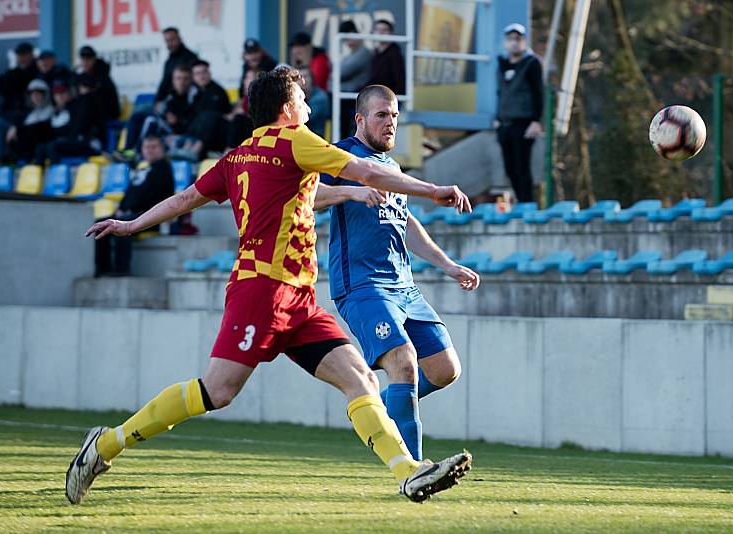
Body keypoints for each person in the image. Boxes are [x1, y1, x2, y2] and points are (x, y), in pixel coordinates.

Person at [69, 66, 473, 505]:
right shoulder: (297, 140)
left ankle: (410, 472)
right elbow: (368, 174)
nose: (307, 106)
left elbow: (186, 199)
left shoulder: (236, 155)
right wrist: (435, 190)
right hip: (261, 291)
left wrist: (132, 224)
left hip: (298, 298)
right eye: (302, 99)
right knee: (217, 390)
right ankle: (106, 444)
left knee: (360, 378)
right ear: (286, 109)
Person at [316, 85, 480, 460]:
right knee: (403, 361)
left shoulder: (393, 169)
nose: (390, 123)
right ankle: (414, 469)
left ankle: (373, 406)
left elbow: (403, 222)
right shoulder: (340, 157)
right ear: (360, 119)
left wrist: (447, 265)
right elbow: (310, 197)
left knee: (444, 369)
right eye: (381, 115)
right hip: (362, 285)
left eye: (394, 116)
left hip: (404, 287)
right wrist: (350, 193)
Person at [95, 135, 174, 276]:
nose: (149, 151)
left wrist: (128, 209)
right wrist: (122, 207)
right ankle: (102, 269)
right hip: (134, 214)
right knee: (101, 225)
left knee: (123, 224)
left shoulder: (163, 168)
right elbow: (132, 192)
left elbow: (149, 195)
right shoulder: (144, 169)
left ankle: (122, 269)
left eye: (153, 147)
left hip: (153, 217)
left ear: (162, 149)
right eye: (146, 147)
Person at [494, 23, 543, 203]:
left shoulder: (532, 64)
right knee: (510, 168)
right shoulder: (502, 64)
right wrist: (497, 118)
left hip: (524, 124)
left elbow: (539, 93)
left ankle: (527, 204)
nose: (514, 43)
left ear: (524, 41)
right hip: (505, 124)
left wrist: (536, 121)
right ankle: (520, 201)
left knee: (523, 167)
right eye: (510, 39)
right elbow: (500, 94)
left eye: (518, 39)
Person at [4, 79, 54, 162]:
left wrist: (18, 130)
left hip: (41, 146)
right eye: (33, 95)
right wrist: (14, 128)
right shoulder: (29, 112)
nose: (35, 97)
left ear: (45, 95)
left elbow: (38, 129)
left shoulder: (50, 110)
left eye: (38, 94)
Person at [337, 20, 372, 138]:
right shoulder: (350, 55)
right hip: (347, 97)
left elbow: (339, 72)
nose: (349, 41)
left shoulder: (364, 53)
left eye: (351, 35)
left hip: (355, 97)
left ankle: (343, 141)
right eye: (346, 38)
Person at [155, 27, 199, 105]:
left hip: (179, 103)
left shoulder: (191, 57)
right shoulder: (169, 60)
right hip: (167, 101)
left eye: (172, 40)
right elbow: (164, 82)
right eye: (167, 41)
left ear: (180, 39)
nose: (169, 44)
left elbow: (190, 85)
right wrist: (157, 101)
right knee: (140, 112)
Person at [77, 46, 120, 121]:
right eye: (83, 59)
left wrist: (89, 91)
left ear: (94, 60)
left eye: (88, 59)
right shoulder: (80, 76)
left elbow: (104, 96)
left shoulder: (103, 75)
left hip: (107, 114)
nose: (85, 62)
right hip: (89, 116)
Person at [368, 20, 405, 95]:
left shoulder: (395, 55)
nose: (380, 33)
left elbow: (399, 83)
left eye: (384, 30)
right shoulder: (376, 54)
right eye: (377, 30)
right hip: (376, 95)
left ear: (391, 33)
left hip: (387, 99)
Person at [300, 68, 329, 138]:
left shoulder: (320, 97)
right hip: (301, 135)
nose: (303, 80)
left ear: (312, 79)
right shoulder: (295, 95)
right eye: (300, 77)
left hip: (316, 136)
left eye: (306, 76)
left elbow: (305, 118)